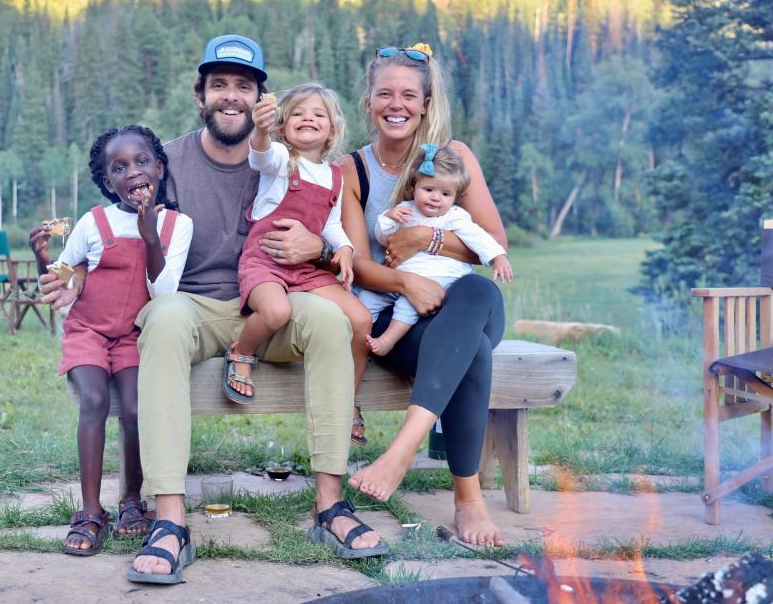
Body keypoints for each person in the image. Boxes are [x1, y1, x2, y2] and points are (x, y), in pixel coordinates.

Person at [39, 35, 385, 584]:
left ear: (262, 99)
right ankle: (171, 521)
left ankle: (330, 505)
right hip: (195, 304)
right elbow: (113, 223)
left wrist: (318, 248)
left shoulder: (293, 159)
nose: (231, 97)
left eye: (243, 87)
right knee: (167, 317)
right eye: (218, 85)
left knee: (326, 319)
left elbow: (332, 233)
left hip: (269, 303)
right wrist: (75, 273)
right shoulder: (166, 160)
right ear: (199, 95)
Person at [337, 43, 509, 547]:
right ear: (368, 101)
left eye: (409, 95)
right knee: (471, 351)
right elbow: (358, 263)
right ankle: (468, 501)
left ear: (426, 103)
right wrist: (407, 280)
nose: (397, 104)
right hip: (402, 323)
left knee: (476, 291)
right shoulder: (353, 170)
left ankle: (403, 449)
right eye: (385, 93)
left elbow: (492, 244)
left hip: (464, 304)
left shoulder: (455, 159)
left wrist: (427, 239)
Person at [29, 125, 193, 556]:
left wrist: (150, 233)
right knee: (95, 402)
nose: (132, 172)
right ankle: (89, 510)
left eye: (141, 162)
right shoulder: (93, 222)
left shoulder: (177, 225)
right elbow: (64, 277)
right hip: (88, 331)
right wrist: (43, 258)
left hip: (134, 336)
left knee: (137, 408)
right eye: (119, 168)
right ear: (107, 182)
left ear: (159, 168)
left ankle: (131, 501)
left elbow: (164, 293)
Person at [226, 83, 373, 445]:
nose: (308, 118)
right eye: (298, 113)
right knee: (275, 312)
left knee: (361, 320)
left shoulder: (335, 175)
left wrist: (346, 250)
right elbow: (257, 156)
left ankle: (346, 399)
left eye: (318, 114)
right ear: (282, 125)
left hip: (306, 269)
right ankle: (241, 352)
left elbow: (332, 224)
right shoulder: (278, 159)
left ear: (332, 130)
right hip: (266, 260)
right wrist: (260, 129)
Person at [359, 143, 513, 356]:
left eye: (445, 194)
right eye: (428, 189)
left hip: (436, 280)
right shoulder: (405, 210)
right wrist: (388, 219)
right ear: (415, 187)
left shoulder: (454, 217)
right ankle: (357, 340)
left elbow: (478, 238)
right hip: (400, 279)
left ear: (455, 197)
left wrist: (497, 257)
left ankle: (387, 340)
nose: (435, 197)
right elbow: (384, 239)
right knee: (366, 299)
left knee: (406, 305)